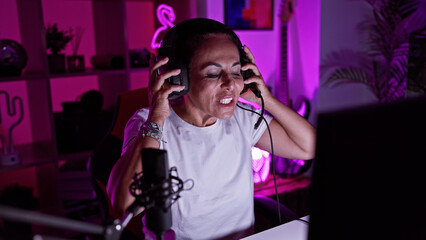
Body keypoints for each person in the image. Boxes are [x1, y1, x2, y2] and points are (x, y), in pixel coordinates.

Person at [107, 18, 316, 240]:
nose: (230, 84)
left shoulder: (243, 117)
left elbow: (309, 148)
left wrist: (266, 99)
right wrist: (156, 118)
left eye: (236, 72)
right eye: (213, 73)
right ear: (180, 77)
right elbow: (124, 205)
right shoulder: (149, 124)